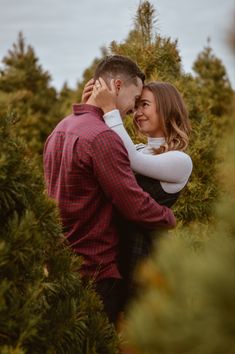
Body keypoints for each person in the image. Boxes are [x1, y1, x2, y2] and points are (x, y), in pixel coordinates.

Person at [43, 55, 176, 325]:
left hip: (60, 266)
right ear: (117, 86)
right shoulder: (102, 137)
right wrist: (168, 218)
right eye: (134, 97)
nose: (134, 108)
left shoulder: (60, 129)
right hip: (96, 271)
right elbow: (133, 204)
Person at [85, 77, 192, 308]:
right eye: (136, 106)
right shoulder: (138, 148)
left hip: (143, 257)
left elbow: (131, 160)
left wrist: (110, 109)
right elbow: (110, 147)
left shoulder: (180, 161)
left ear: (166, 107)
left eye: (145, 105)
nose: (137, 112)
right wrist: (92, 107)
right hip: (115, 249)